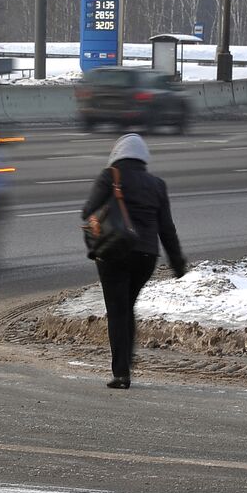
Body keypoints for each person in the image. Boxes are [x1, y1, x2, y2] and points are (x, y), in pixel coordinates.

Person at [80, 133, 187, 390]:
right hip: (146, 257)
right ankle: (127, 360)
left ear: (117, 154)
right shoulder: (157, 184)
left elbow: (87, 211)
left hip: (114, 253)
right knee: (127, 306)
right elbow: (167, 228)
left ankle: (121, 373)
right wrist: (177, 263)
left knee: (117, 310)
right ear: (143, 158)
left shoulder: (110, 176)